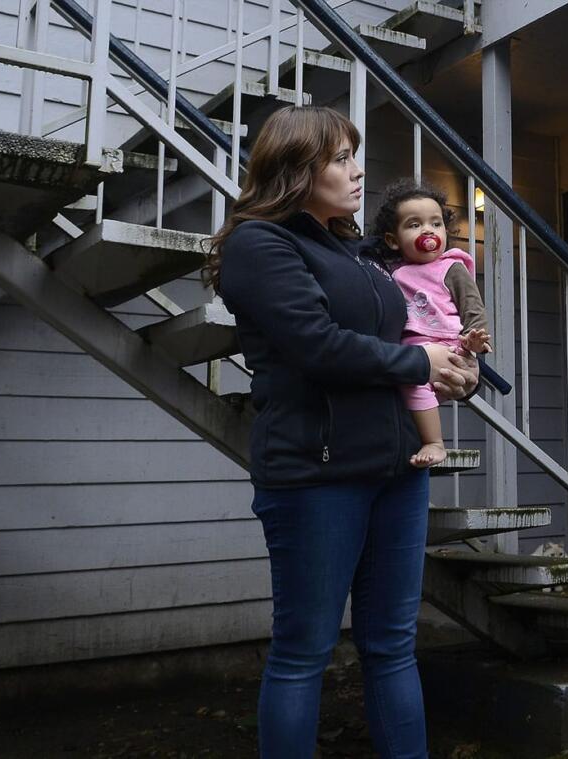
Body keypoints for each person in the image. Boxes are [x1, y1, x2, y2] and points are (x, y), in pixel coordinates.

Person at [205, 105, 479, 759]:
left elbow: (401, 337)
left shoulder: (355, 252)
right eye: (341, 159)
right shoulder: (259, 244)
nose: (358, 172)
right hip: (315, 471)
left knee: (392, 645)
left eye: (355, 156)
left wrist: (451, 365)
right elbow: (316, 345)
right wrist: (420, 362)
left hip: (397, 467)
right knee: (304, 651)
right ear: (296, 169)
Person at [368, 178, 492, 468]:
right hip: (411, 347)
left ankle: (435, 442)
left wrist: (474, 340)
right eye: (414, 225)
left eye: (436, 224)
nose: (427, 231)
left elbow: (472, 306)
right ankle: (418, 437)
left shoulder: (451, 267)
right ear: (392, 240)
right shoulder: (393, 273)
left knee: (413, 382)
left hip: (448, 343)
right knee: (408, 384)